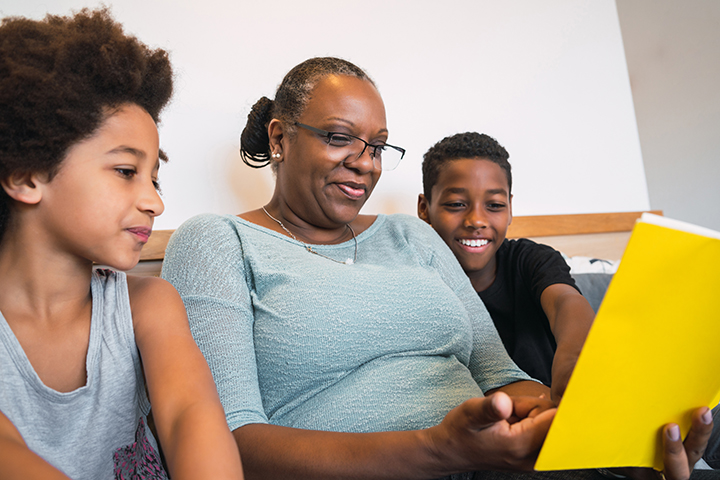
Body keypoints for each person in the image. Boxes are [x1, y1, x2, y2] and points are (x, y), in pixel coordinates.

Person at [161, 57, 712, 480]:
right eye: (339, 137)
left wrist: (604, 421)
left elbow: (504, 379)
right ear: (280, 137)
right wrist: (439, 448)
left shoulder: (411, 235)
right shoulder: (218, 241)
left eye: (377, 146)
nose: (364, 162)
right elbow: (226, 441)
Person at [0, 9, 243, 480]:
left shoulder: (148, 305)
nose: (154, 201)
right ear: (26, 175)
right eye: (127, 172)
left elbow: (189, 414)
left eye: (155, 177)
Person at [416, 132, 594, 403]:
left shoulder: (530, 260)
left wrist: (573, 357)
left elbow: (565, 302)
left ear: (510, 207)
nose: (477, 220)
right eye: (456, 204)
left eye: (495, 205)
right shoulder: (414, 278)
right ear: (424, 208)